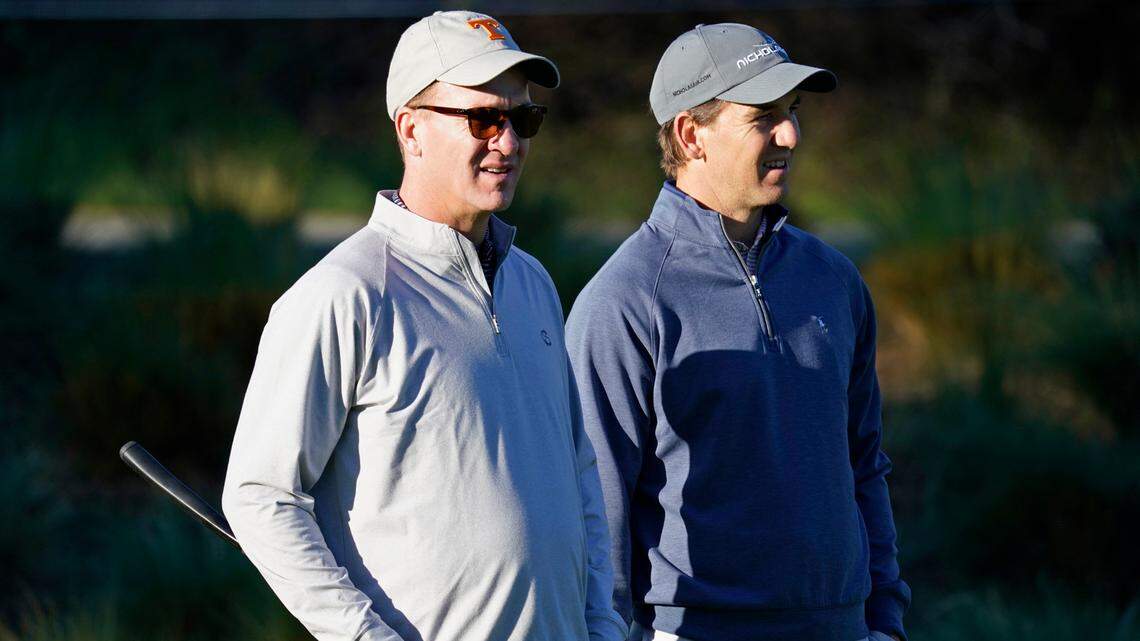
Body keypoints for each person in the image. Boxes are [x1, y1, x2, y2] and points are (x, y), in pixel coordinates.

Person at [222, 11, 627, 641]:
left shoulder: (535, 285)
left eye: (522, 119)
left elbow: (578, 478)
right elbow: (260, 496)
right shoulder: (344, 294)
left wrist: (601, 625)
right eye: (485, 119)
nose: (509, 142)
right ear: (411, 130)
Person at [565, 23, 911, 641]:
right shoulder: (623, 302)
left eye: (794, 112)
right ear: (691, 134)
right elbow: (597, 512)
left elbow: (864, 466)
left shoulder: (833, 279)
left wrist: (885, 618)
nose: (791, 135)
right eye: (764, 118)